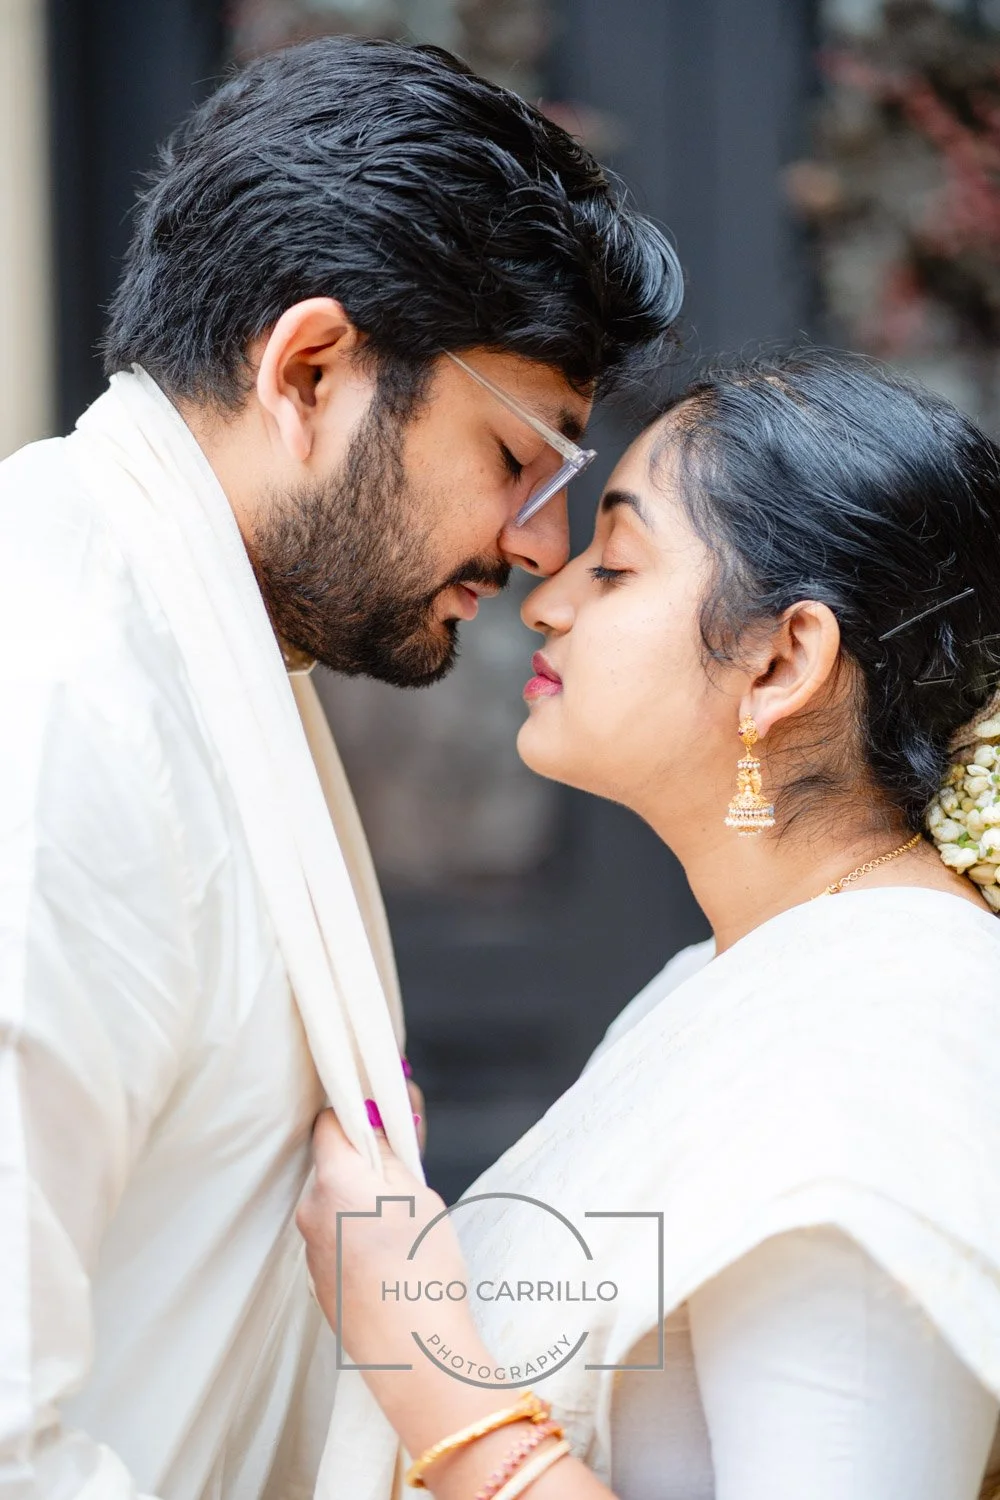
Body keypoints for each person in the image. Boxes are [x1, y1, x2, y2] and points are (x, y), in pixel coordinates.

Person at [0, 35, 683, 1499]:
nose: (541, 549)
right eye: (524, 458)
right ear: (309, 368)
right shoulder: (54, 694)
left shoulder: (193, 638)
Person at [299, 352, 1000, 1500]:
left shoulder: (886, 1047)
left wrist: (430, 1365)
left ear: (782, 660)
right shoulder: (723, 980)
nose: (549, 597)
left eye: (615, 564)